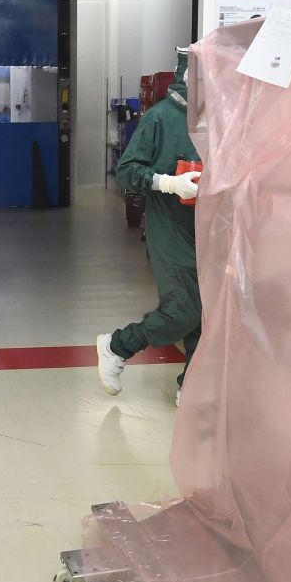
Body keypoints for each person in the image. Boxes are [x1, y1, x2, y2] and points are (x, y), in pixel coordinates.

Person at [96, 47, 202, 403]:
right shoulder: (161, 118)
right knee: (182, 311)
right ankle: (117, 345)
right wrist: (168, 182)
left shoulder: (219, 119)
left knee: (209, 313)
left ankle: (192, 381)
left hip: (209, 227)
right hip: (170, 226)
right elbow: (127, 169)